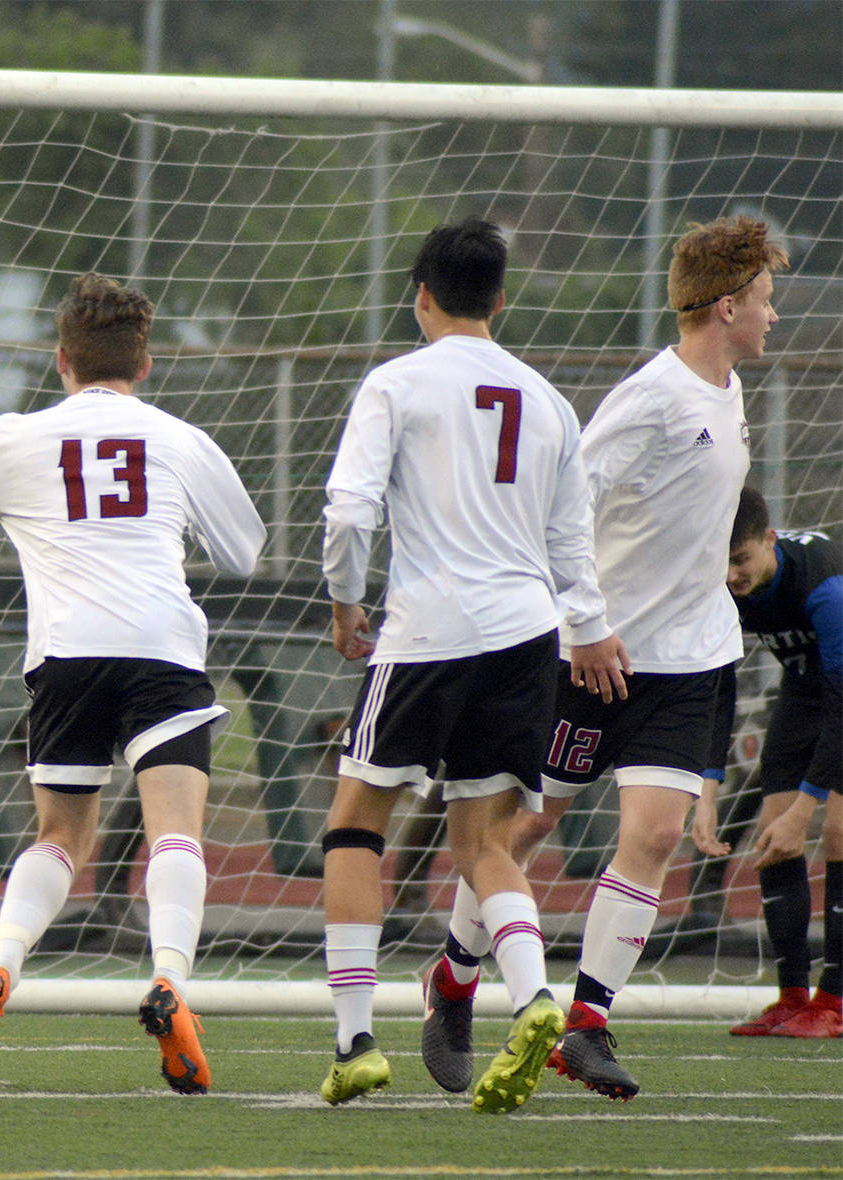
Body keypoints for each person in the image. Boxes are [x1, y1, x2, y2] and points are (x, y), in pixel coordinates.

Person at [423, 214, 786, 1101]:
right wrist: (583, 622)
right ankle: (454, 980)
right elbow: (567, 497)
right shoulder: (652, 396)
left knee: (656, 836)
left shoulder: (730, 390)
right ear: (727, 306)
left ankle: (587, 1023)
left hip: (690, 661)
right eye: (767, 300)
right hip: (596, 658)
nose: (774, 315)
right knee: (525, 830)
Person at [0, 273, 267, 1095]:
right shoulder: (179, 439)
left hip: (68, 658)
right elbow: (245, 552)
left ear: (62, 361)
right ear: (144, 364)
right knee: (174, 831)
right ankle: (169, 979)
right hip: (162, 650)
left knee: (62, 834)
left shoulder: (21, 436)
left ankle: (1, 964)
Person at [319, 217, 623, 1114]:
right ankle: (533, 997)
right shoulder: (550, 401)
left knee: (353, 828)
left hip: (430, 630)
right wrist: (589, 626)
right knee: (486, 843)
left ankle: (355, 1042)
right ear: (500, 299)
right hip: (527, 634)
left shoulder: (396, 382)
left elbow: (349, 509)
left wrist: (345, 600)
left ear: (421, 296)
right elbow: (571, 542)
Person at [697, 486, 841, 1038]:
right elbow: (718, 687)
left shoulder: (825, 587)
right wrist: (709, 787)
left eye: (741, 559)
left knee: (836, 832)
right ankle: (792, 997)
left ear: (770, 541)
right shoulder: (720, 589)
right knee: (772, 831)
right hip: (804, 688)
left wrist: (806, 810)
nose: (731, 574)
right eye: (723, 561)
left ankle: (835, 1002)